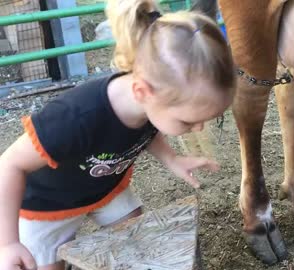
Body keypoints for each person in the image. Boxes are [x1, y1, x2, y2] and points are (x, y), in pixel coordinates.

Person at [0, 0, 235, 268]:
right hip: (45, 207)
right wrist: (7, 243)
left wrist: (172, 159)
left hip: (104, 189)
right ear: (143, 93)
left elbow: (148, 130)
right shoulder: (75, 117)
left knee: (135, 237)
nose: (198, 128)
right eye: (187, 121)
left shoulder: (150, 99)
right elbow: (10, 165)